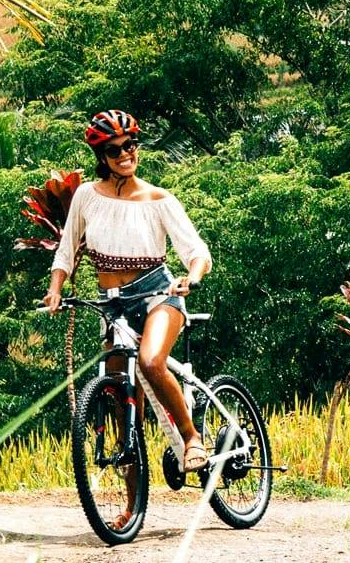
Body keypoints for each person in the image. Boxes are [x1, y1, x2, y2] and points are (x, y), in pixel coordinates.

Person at [43, 110, 212, 520]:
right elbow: (67, 249)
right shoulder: (86, 196)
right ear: (102, 155)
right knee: (121, 401)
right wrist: (55, 289)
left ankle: (191, 439)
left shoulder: (158, 200)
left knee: (152, 363)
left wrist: (190, 278)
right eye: (115, 149)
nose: (125, 154)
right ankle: (133, 504)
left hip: (158, 295)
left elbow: (197, 253)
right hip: (111, 303)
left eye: (130, 146)